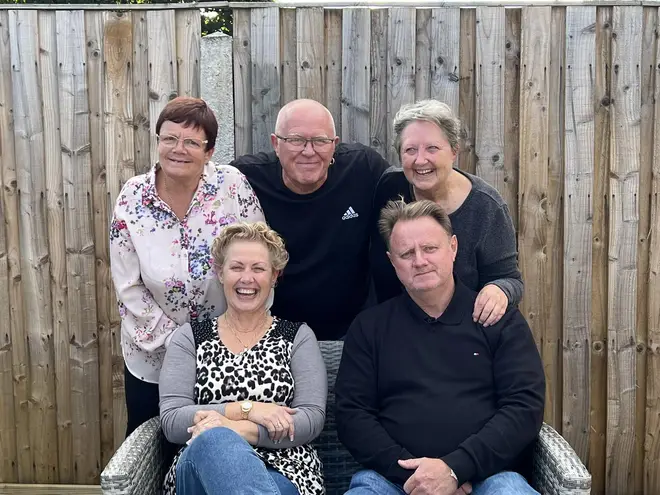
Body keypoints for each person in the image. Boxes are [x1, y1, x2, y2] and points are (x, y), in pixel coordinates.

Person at [336, 199, 545, 495]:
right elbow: (353, 416)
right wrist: (421, 477)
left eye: (430, 248)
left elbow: (524, 407)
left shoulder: (497, 319)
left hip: (489, 478)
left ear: (453, 248)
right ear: (392, 261)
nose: (419, 261)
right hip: (394, 481)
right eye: (406, 253)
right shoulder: (370, 328)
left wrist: (456, 468)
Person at [110, 97, 264, 435]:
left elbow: (259, 259)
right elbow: (128, 287)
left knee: (217, 439)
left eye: (192, 142)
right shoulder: (132, 197)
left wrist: (231, 339)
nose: (178, 149)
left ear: (208, 152)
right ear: (158, 142)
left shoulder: (232, 187)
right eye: (169, 139)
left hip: (226, 355)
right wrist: (181, 344)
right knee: (149, 448)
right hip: (153, 357)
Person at [159, 222, 327, 495]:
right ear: (220, 273)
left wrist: (232, 428)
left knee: (218, 437)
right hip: (200, 465)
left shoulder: (297, 337)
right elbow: (173, 420)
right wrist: (247, 409)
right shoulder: (190, 337)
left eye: (258, 269)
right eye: (237, 267)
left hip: (285, 469)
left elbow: (310, 418)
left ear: (274, 276)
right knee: (214, 443)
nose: (246, 278)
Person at [232, 99, 391, 340]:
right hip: (271, 335)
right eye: (296, 140)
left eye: (320, 141)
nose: (309, 151)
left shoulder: (364, 169)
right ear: (276, 143)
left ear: (334, 145)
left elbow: (417, 210)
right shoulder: (245, 179)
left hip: (351, 333)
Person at [371, 99, 522, 327]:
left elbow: (510, 280)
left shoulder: (486, 208)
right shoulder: (389, 188)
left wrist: (499, 290)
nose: (420, 160)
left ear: (454, 151)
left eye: (432, 148)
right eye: (410, 149)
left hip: (462, 332)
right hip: (396, 328)